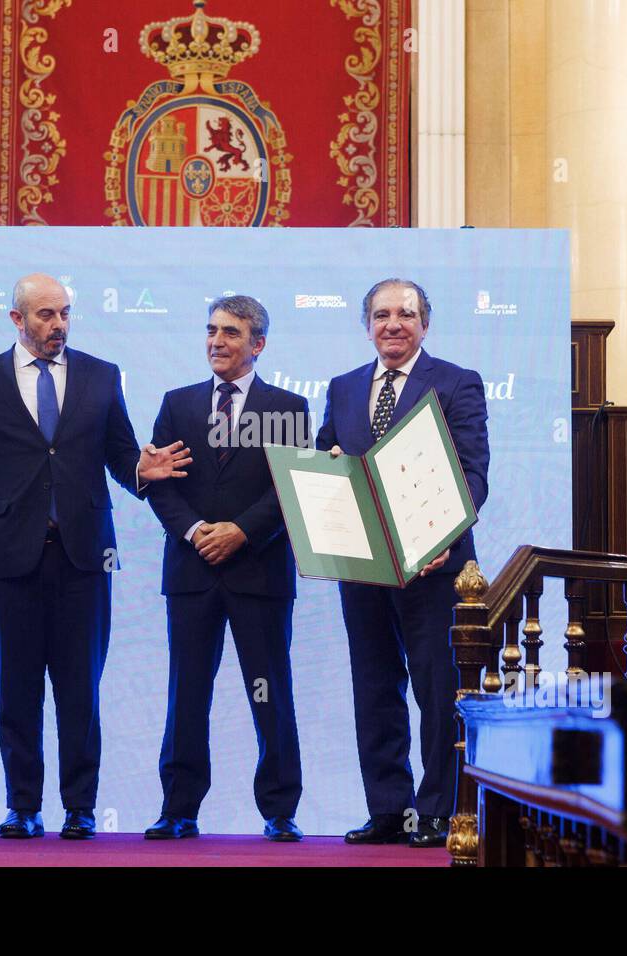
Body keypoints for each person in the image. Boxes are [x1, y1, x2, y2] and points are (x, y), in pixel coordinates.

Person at [0, 273, 191, 841]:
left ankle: (80, 808)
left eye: (65, 313)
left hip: (84, 557)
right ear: (17, 319)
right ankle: (22, 805)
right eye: (47, 315)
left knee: (81, 690)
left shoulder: (102, 376)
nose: (59, 325)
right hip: (6, 558)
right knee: (16, 689)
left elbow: (121, 454)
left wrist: (141, 472)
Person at [316, 278, 489, 848]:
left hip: (434, 566)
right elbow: (325, 456)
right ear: (367, 325)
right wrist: (326, 471)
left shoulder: (458, 382)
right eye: (382, 314)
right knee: (374, 687)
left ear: (424, 324)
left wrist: (441, 536)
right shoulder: (343, 387)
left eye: (406, 314)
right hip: (363, 564)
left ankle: (439, 810)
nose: (393, 324)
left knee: (438, 689)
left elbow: (472, 472)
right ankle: (389, 809)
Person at [142, 295, 309, 842]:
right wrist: (196, 531)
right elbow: (158, 483)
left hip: (259, 572)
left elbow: (290, 489)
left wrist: (241, 531)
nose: (217, 340)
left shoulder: (289, 407)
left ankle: (280, 810)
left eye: (231, 332)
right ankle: (178, 809)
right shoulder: (176, 404)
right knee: (187, 693)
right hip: (191, 572)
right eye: (211, 329)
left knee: (270, 691)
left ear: (258, 344)